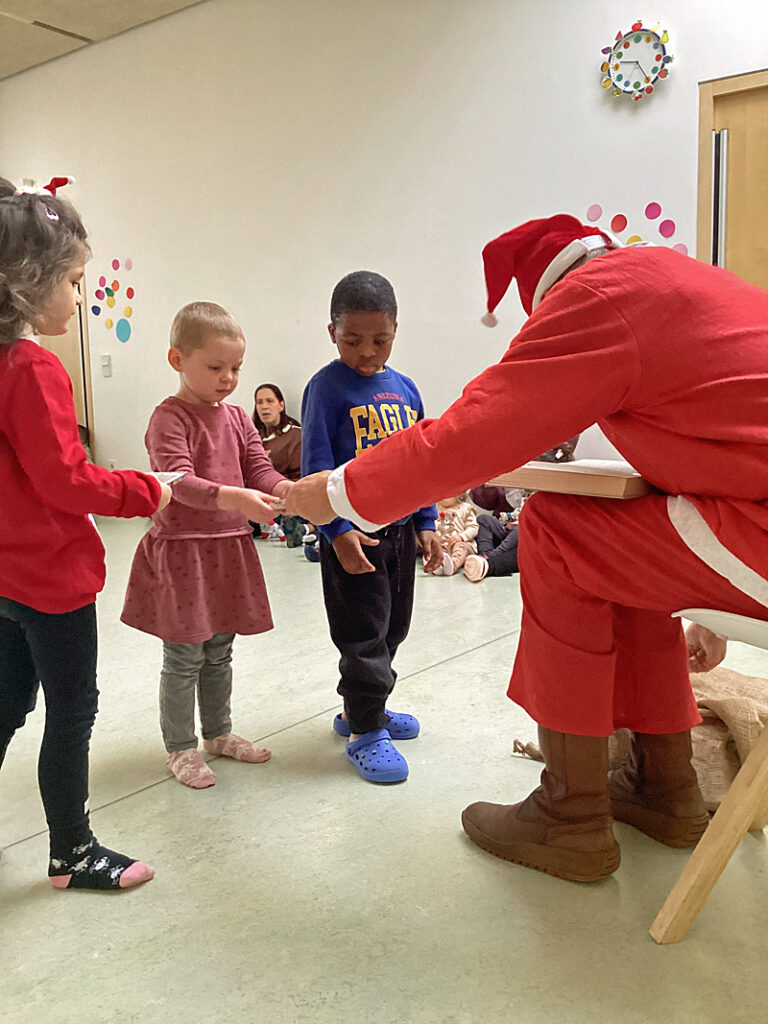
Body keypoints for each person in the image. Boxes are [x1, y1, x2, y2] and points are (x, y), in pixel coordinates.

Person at [286, 214, 768, 882]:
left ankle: (571, 816)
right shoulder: (674, 278)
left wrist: (335, 494)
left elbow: (467, 436)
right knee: (603, 532)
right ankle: (664, 784)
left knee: (557, 530)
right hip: (751, 512)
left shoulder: (594, 299)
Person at [0, 176, 172, 890]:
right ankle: (72, 852)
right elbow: (66, 478)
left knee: (7, 703)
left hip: (6, 575)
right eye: (73, 281)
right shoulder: (31, 367)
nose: (77, 296)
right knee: (73, 712)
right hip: (51, 577)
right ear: (28, 282)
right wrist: (146, 490)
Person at [121, 302, 292, 789]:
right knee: (184, 655)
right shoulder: (168, 418)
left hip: (227, 549)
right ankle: (181, 747)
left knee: (220, 649)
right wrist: (233, 497)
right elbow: (178, 480)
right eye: (215, 367)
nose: (228, 378)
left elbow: (259, 468)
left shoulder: (238, 418)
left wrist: (288, 490)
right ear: (177, 360)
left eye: (236, 368)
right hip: (183, 553)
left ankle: (218, 733)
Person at [300, 270, 442, 783]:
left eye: (379, 340)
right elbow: (315, 467)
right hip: (352, 536)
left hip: (399, 534)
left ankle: (366, 709)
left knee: (393, 626)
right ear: (332, 332)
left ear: (396, 331)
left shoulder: (404, 390)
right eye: (352, 340)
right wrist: (336, 529)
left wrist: (426, 520)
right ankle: (364, 729)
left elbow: (421, 463)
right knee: (362, 635)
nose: (366, 351)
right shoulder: (326, 388)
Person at [253, 383, 310, 547]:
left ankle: (302, 529)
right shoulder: (253, 438)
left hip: (286, 498)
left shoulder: (295, 435)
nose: (264, 407)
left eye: (269, 401)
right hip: (257, 500)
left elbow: (299, 478)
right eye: (259, 402)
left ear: (281, 405)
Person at [427, 494, 479, 577]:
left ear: (458, 494)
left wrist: (462, 536)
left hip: (464, 544)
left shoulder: (466, 508)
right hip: (442, 545)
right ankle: (437, 566)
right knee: (433, 548)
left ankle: (452, 565)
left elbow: (473, 527)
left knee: (461, 547)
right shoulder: (434, 509)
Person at [463, 512, 520, 582]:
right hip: (509, 529)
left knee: (521, 528)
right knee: (483, 519)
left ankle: (488, 557)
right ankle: (483, 554)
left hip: (524, 538)